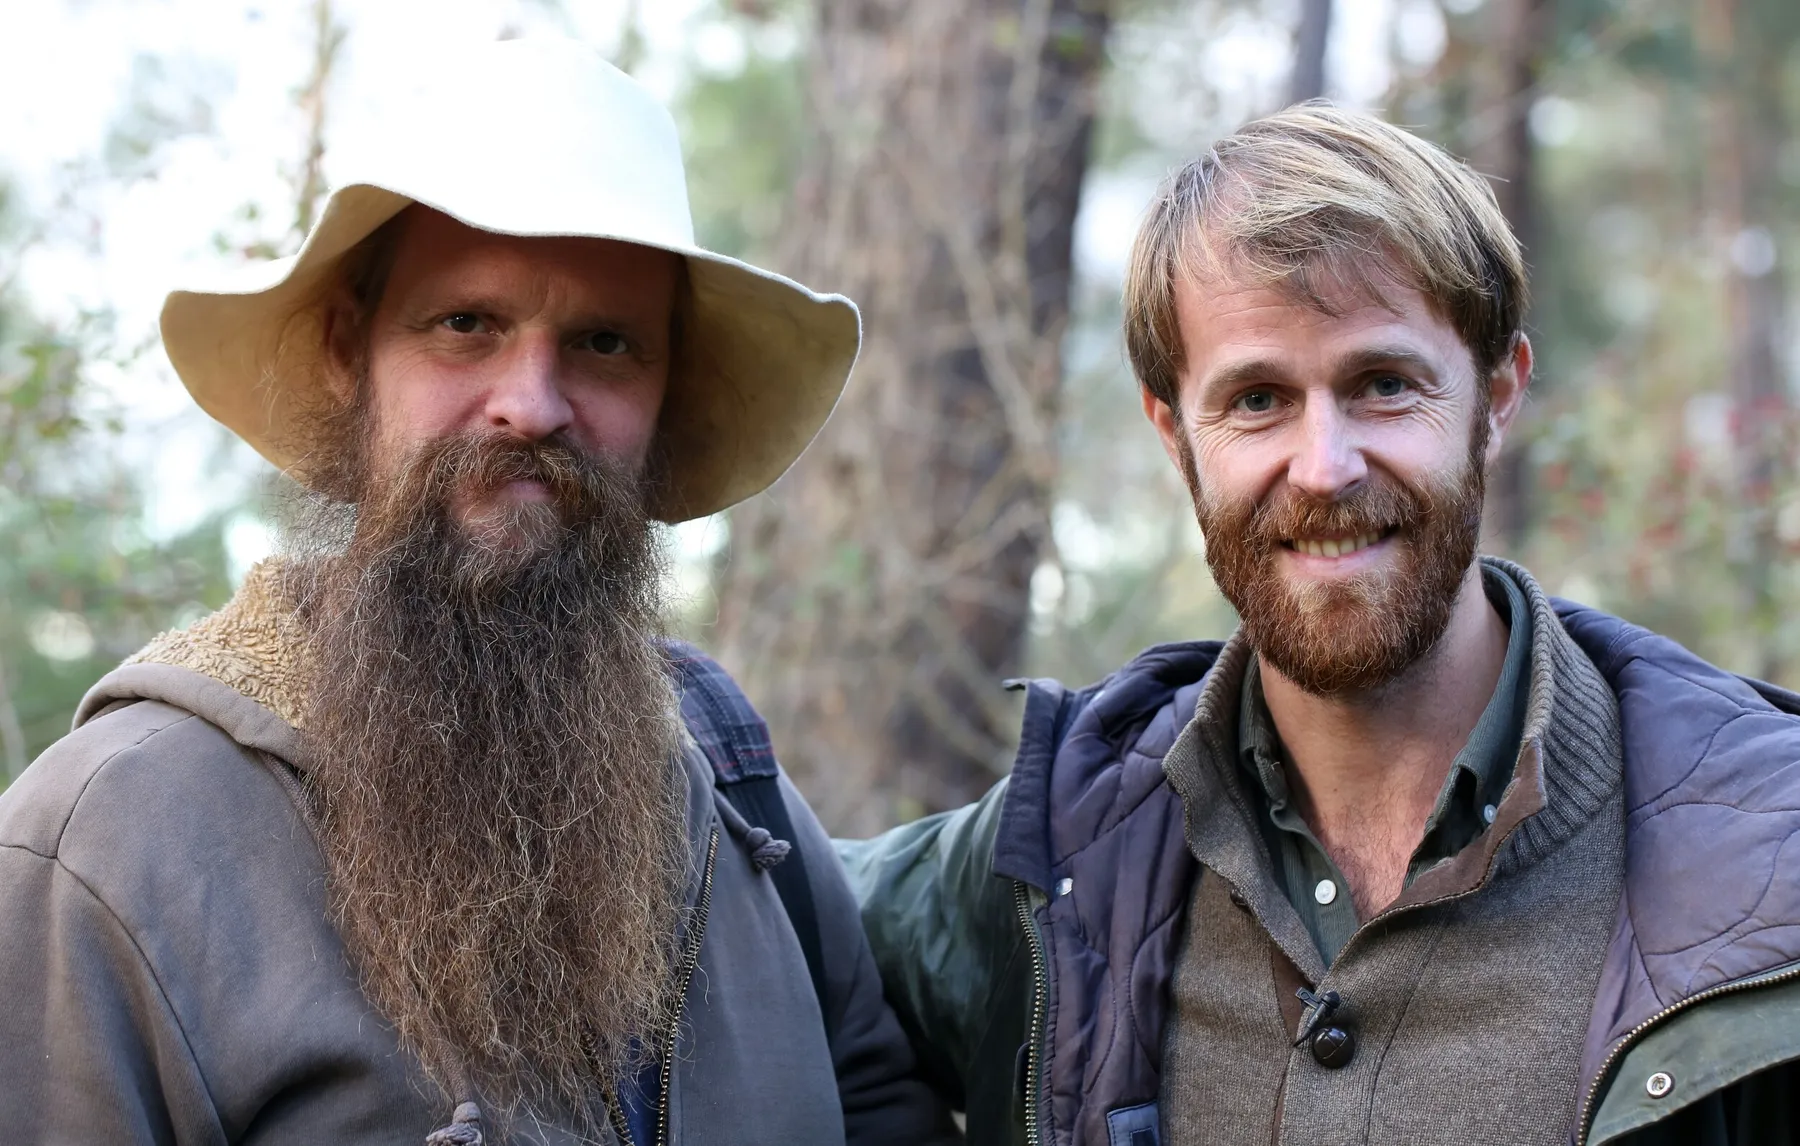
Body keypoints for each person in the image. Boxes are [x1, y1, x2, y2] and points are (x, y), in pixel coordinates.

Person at [0, 38, 958, 1146]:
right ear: (346, 352)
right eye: (466, 324)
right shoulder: (110, 839)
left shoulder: (727, 779)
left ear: (665, 395)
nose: (533, 404)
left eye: (606, 343)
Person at [841, 103, 1800, 1146]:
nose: (1325, 467)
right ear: (1174, 434)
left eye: (1383, 385)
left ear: (1497, 395)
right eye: (1257, 400)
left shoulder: (1765, 860)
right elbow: (767, 920)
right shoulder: (1068, 843)